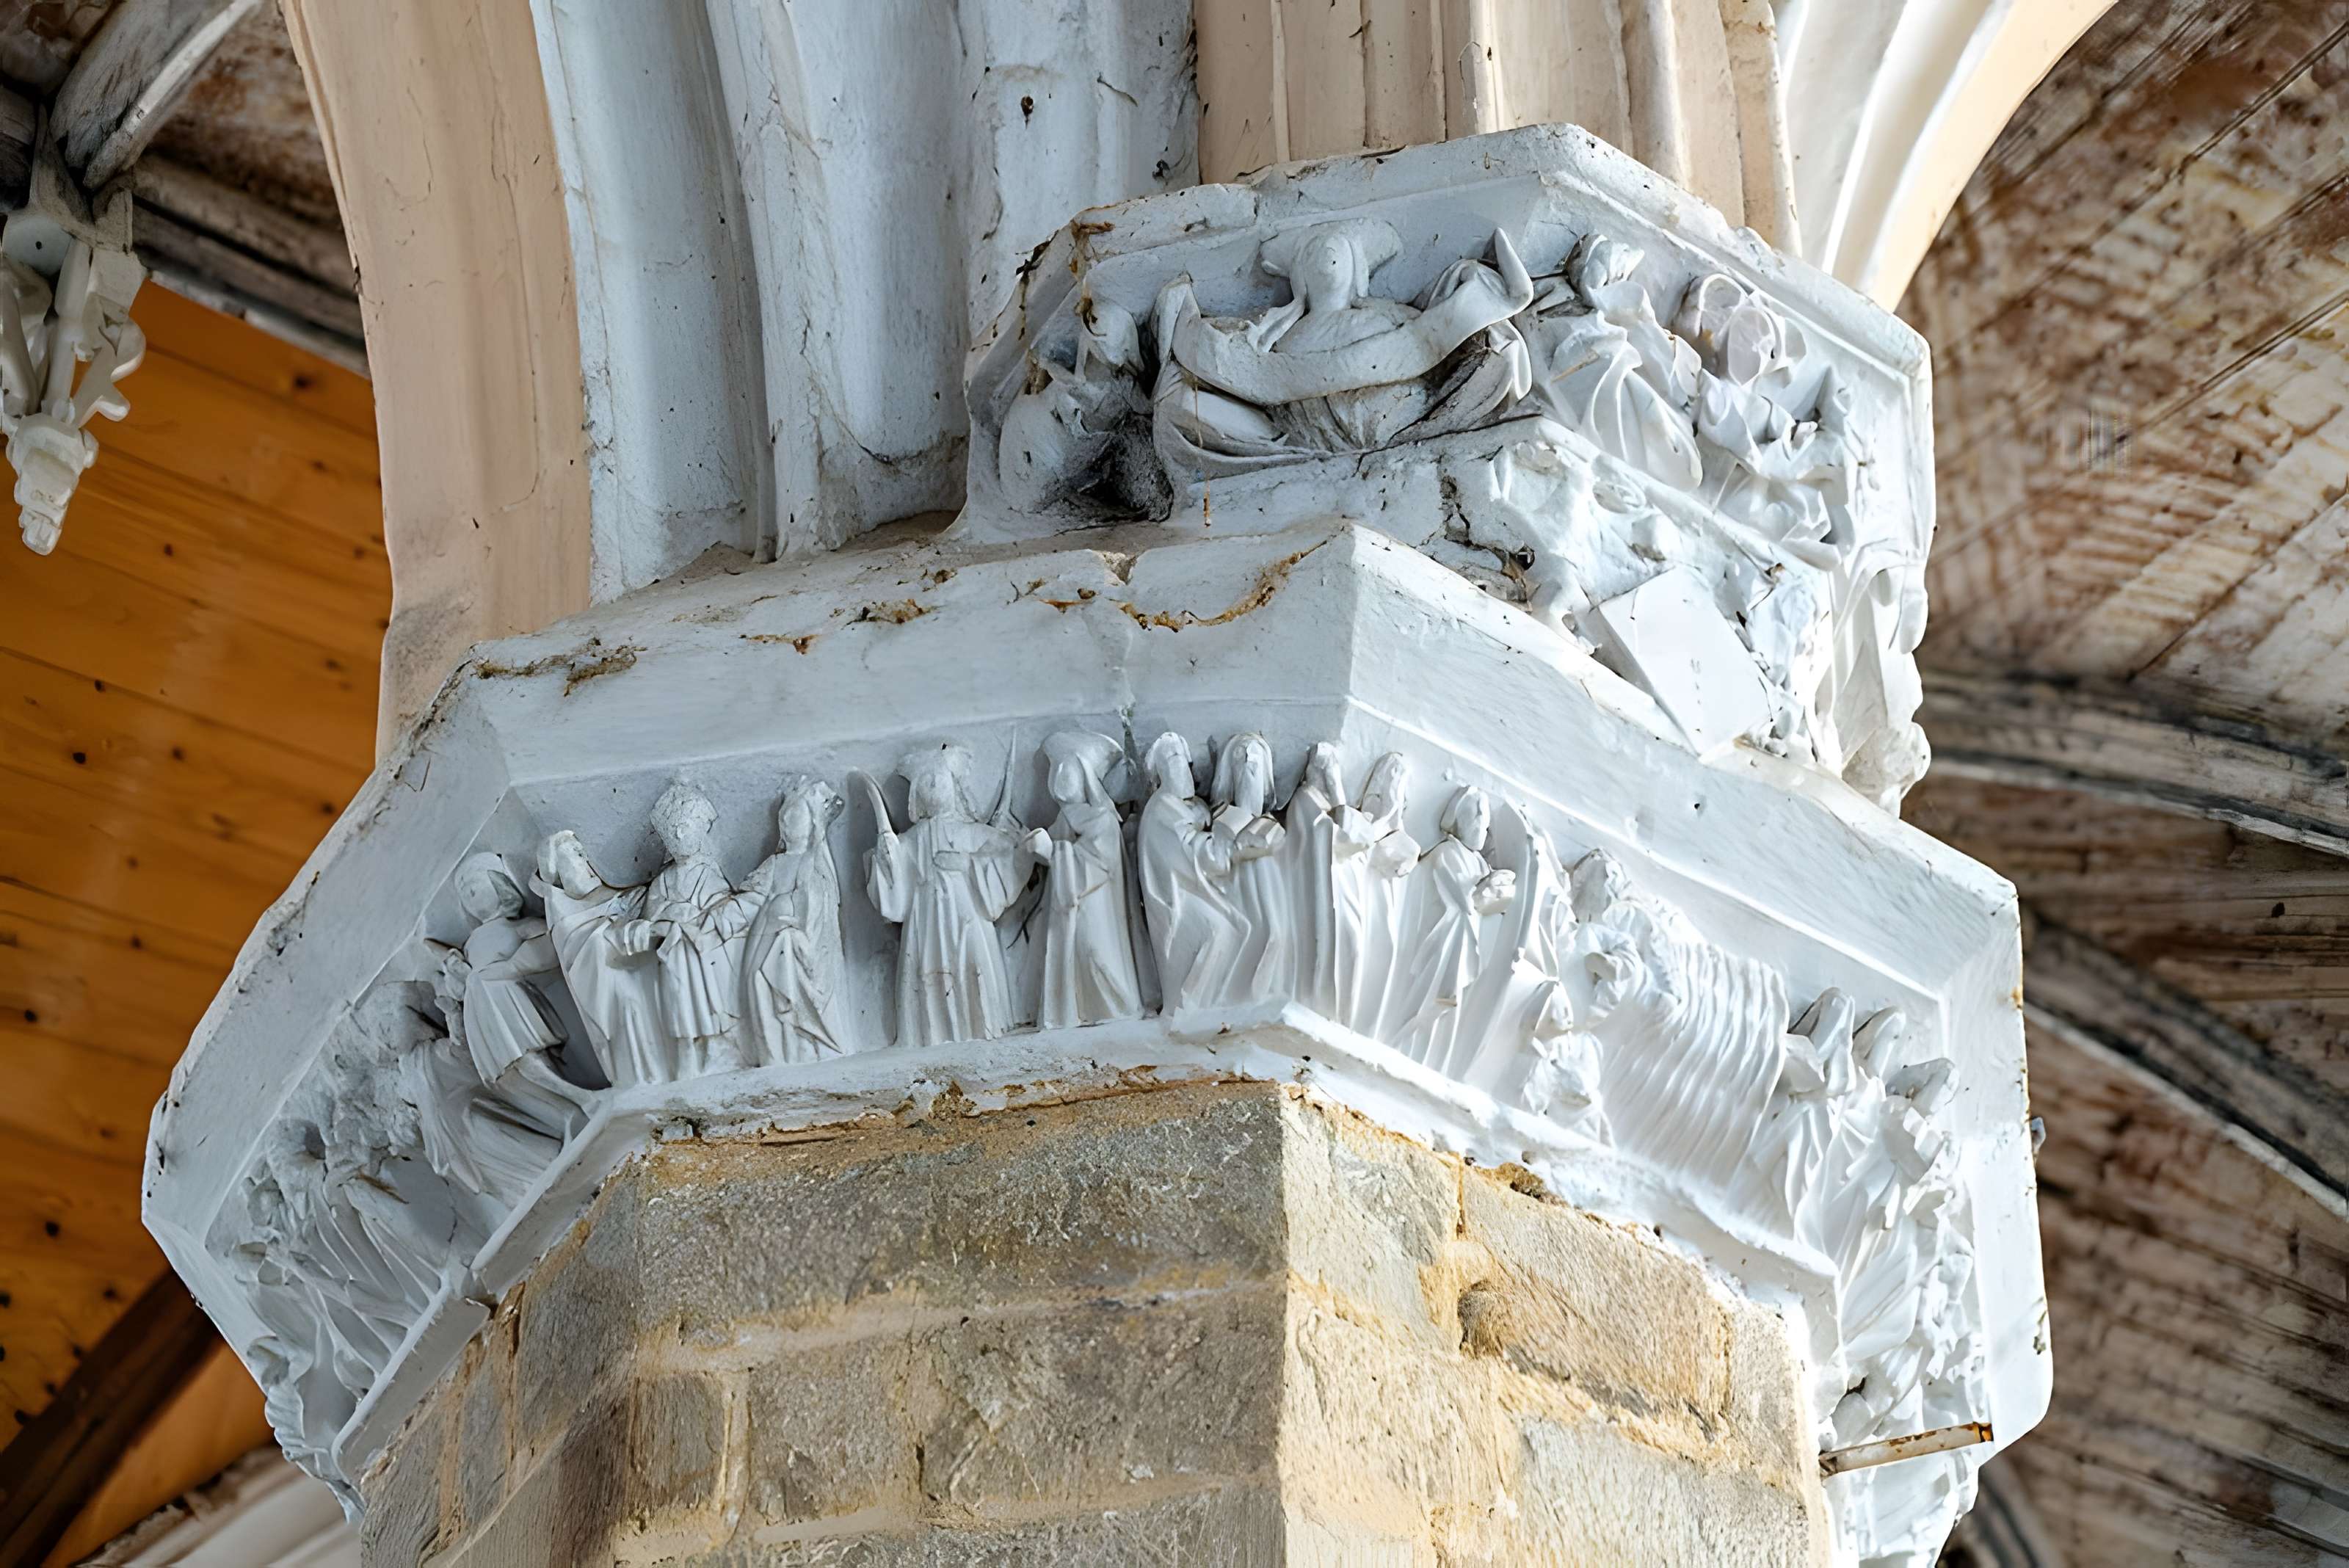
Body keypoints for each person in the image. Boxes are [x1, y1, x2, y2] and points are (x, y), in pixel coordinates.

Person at [863, 744, 1039, 1047]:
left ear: (953, 787)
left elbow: (1009, 854)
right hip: (926, 918)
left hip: (965, 913)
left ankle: (979, 1025)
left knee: (969, 964)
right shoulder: (913, 839)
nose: (933, 788)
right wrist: (885, 855)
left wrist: (967, 864)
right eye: (926, 783)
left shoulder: (970, 832)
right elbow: (894, 882)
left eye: (938, 780)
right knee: (929, 969)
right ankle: (930, 1033)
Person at [620, 784, 752, 1077]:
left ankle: (719, 1048)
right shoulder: (663, 881)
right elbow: (651, 917)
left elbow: (722, 909)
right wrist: (663, 922)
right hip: (674, 959)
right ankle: (687, 1055)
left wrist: (686, 918)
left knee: (709, 1002)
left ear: (701, 831)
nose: (680, 836)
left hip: (703, 955)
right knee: (679, 1007)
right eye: (674, 831)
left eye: (687, 828)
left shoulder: (708, 873)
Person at [537, 830, 664, 1088]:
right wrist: (615, 931)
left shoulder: (612, 897)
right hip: (609, 988)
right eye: (572, 855)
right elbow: (586, 950)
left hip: (639, 977)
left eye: (581, 852)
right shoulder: (565, 920)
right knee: (629, 1011)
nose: (583, 859)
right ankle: (642, 1078)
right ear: (558, 876)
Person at [1034, 730, 1142, 1029]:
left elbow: (1098, 861)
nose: (1059, 777)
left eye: (1067, 770)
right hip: (1066, 902)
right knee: (1073, 954)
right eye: (1056, 771)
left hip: (1094, 900)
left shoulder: (1100, 818)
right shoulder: (1064, 818)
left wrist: (1053, 853)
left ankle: (1116, 1010)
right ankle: (1080, 1010)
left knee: (1096, 952)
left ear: (1084, 775)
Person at [740, 777, 851, 1064]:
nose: (789, 823)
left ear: (812, 821)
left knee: (783, 950)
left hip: (799, 942)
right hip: (769, 932)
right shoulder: (775, 863)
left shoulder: (813, 860)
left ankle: (804, 1045)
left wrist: (786, 908)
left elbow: (818, 905)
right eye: (785, 817)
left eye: (796, 815)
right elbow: (751, 899)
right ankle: (776, 1051)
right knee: (757, 976)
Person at [1137, 732, 1244, 1012]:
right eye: (1169, 760)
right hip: (1175, 899)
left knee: (1235, 926)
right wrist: (1227, 836)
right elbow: (1192, 852)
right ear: (1158, 772)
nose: (1178, 766)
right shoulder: (1162, 809)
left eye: (1181, 758)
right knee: (1217, 931)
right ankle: (1189, 1005)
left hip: (1195, 889)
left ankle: (1212, 1002)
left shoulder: (1192, 805)